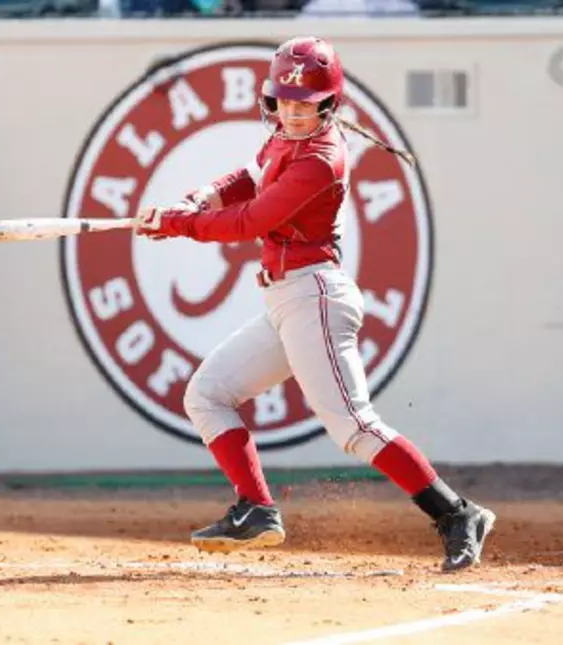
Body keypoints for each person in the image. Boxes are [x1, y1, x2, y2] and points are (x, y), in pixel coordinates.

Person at [131, 36, 496, 573]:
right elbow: (247, 180)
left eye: (306, 105)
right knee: (207, 395)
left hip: (314, 296)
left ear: (329, 105)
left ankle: (457, 513)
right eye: (285, 102)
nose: (294, 114)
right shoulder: (282, 138)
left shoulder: (323, 158)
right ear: (271, 101)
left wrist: (178, 225)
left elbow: (252, 220)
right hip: (284, 298)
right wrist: (199, 199)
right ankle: (256, 509)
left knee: (354, 427)